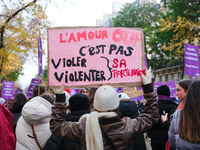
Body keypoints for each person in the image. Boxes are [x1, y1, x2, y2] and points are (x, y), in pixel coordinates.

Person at [50, 69, 159, 150]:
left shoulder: (83, 127)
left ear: (94, 106)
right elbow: (151, 115)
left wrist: (60, 97)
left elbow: (56, 126)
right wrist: (148, 87)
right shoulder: (128, 127)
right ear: (117, 105)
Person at [168, 80, 200, 149]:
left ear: (189, 92)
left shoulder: (178, 114)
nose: (176, 94)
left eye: (178, 90)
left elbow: (172, 142)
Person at [147, 85, 178, 150]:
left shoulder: (152, 106)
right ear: (168, 93)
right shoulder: (174, 107)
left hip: (153, 139)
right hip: (167, 139)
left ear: (157, 93)